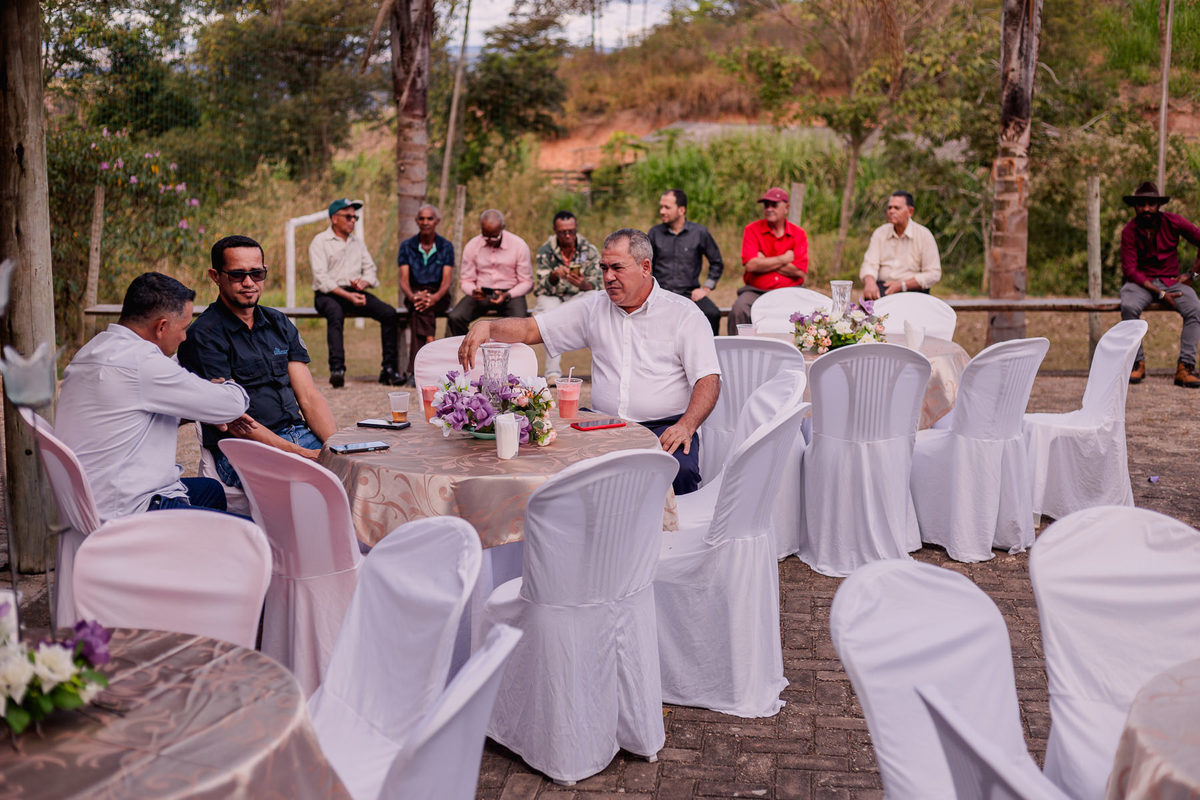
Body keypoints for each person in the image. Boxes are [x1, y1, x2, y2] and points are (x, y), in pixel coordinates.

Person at [459, 228, 721, 495]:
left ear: (645, 267)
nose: (608, 277)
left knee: (680, 470)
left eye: (617, 268)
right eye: (603, 268)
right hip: (603, 426)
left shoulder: (683, 314)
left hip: (663, 427)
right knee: (553, 470)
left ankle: (670, 536)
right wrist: (488, 327)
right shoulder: (594, 307)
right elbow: (530, 329)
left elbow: (708, 378)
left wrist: (686, 426)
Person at [56, 272, 249, 520]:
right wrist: (228, 384)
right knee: (259, 538)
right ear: (161, 327)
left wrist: (197, 410)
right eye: (184, 328)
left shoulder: (94, 350)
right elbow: (231, 405)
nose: (184, 337)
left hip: (94, 498)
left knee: (211, 491)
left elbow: (127, 415)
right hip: (133, 510)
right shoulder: (143, 363)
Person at [179, 235, 339, 490]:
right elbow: (233, 420)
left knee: (360, 472)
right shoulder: (203, 336)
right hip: (242, 452)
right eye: (237, 275)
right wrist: (299, 453)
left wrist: (335, 448)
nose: (249, 282)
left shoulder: (279, 323)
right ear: (215, 276)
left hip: (299, 437)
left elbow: (309, 396)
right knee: (319, 485)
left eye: (257, 273)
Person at [310, 198, 403, 388]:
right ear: (334, 218)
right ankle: (337, 369)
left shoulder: (357, 243)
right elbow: (322, 278)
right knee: (335, 313)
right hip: (327, 294)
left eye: (355, 217)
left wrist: (364, 282)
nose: (353, 220)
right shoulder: (320, 241)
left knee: (389, 313)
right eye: (348, 216)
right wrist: (349, 296)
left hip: (354, 293)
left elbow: (371, 270)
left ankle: (389, 370)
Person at [1120, 181, 1200, 387]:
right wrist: (1160, 293)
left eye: (1151, 204)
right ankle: (1137, 363)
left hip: (1170, 281)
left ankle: (1185, 367)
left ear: (1158, 205)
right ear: (1135, 207)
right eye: (1142, 204)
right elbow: (1130, 270)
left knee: (1194, 308)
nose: (1146, 208)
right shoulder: (1129, 231)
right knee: (1128, 306)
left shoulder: (1173, 222)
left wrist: (1193, 273)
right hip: (1141, 284)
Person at [532, 210, 601, 380]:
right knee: (550, 317)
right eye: (563, 232)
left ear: (576, 229)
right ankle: (552, 373)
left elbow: (597, 284)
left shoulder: (589, 250)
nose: (568, 235)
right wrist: (554, 276)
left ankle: (601, 373)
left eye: (571, 231)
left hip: (577, 295)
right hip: (552, 296)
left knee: (596, 303)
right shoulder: (546, 251)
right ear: (555, 231)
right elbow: (542, 285)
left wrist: (582, 284)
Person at [729, 187, 808, 334]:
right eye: (766, 205)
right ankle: (738, 351)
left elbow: (800, 272)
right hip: (756, 291)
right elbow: (751, 265)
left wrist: (765, 261)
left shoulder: (798, 234)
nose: (769, 209)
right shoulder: (752, 230)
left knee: (809, 312)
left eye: (774, 205)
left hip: (791, 291)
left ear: (787, 207)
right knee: (738, 309)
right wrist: (783, 259)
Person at [648, 188, 725, 335]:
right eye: (661, 207)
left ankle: (709, 356)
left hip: (690, 295)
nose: (662, 211)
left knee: (713, 314)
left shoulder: (699, 232)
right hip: (661, 295)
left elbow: (716, 262)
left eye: (667, 207)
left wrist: (705, 289)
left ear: (681, 210)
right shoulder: (654, 233)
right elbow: (646, 266)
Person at [446, 209, 533, 336]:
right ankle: (470, 346)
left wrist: (507, 294)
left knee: (520, 324)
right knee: (455, 317)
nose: (490, 240)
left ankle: (512, 354)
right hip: (482, 294)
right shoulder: (472, 246)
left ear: (503, 227)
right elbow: (466, 280)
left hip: (510, 294)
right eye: (485, 235)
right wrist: (473, 291)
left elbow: (527, 282)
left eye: (494, 236)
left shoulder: (519, 245)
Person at [397, 203, 455, 378]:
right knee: (421, 308)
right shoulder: (407, 246)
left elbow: (447, 281)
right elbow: (404, 280)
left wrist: (434, 297)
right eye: (421, 218)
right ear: (416, 221)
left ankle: (416, 371)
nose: (425, 222)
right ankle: (430, 340)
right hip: (414, 294)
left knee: (421, 311)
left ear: (436, 221)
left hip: (440, 295)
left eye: (429, 218)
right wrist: (414, 296)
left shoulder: (446, 246)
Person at [859, 191, 941, 299]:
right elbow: (869, 264)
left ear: (910, 212)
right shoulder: (880, 233)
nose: (891, 211)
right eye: (889, 208)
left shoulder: (924, 235)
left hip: (913, 291)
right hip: (883, 289)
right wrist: (869, 282)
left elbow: (933, 273)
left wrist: (902, 285)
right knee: (866, 308)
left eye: (897, 208)